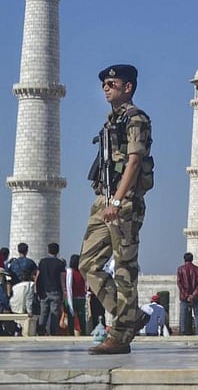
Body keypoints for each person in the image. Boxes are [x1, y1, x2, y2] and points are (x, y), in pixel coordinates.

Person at [79, 64, 155, 355]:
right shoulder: (113, 120)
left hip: (123, 203)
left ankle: (121, 334)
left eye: (112, 83)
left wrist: (117, 201)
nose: (106, 88)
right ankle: (130, 316)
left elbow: (134, 162)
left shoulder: (136, 119)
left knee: (124, 268)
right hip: (105, 199)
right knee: (88, 263)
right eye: (104, 84)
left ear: (128, 87)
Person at [35, 242, 66, 335]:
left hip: (44, 291)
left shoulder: (42, 261)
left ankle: (41, 331)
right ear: (58, 251)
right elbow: (62, 278)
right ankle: (53, 332)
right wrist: (64, 291)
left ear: (48, 250)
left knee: (43, 313)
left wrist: (36, 290)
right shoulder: (60, 263)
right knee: (55, 313)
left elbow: (37, 277)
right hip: (56, 291)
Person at [177, 252, 198, 336]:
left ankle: (183, 331)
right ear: (192, 259)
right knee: (196, 315)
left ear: (184, 259)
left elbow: (179, 284)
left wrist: (186, 295)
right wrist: (193, 295)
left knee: (183, 315)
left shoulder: (180, 269)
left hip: (184, 297)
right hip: (195, 297)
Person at [65, 254, 87, 336]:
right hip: (81, 297)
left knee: (71, 318)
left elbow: (69, 286)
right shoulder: (82, 272)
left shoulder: (70, 271)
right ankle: (83, 332)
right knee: (82, 317)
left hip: (72, 297)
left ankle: (71, 333)